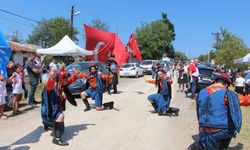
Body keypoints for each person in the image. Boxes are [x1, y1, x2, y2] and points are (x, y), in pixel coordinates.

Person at [188, 73, 250, 150]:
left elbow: (198, 110)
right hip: (221, 130)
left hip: (204, 128)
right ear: (226, 84)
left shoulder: (201, 92)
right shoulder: (227, 94)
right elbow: (246, 100)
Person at [41, 68, 78, 146]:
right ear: (60, 77)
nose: (66, 79)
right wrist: (51, 77)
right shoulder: (53, 84)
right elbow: (48, 87)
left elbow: (70, 80)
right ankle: (56, 139)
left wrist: (76, 74)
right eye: (64, 78)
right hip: (51, 108)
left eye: (66, 77)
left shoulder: (62, 83)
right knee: (60, 116)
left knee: (62, 129)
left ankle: (48, 124)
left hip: (57, 106)